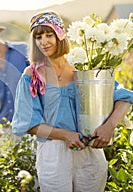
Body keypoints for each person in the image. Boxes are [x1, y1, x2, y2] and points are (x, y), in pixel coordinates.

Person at [11, 11, 133, 191]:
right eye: (38, 37)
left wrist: (110, 126)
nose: (43, 42)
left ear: (60, 34)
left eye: (48, 34)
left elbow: (124, 97)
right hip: (54, 153)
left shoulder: (82, 68)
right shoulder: (32, 75)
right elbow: (28, 122)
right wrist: (66, 135)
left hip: (89, 151)